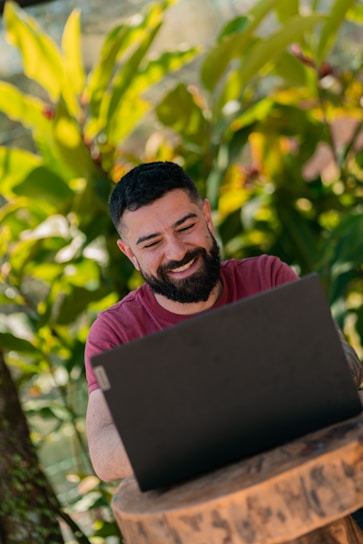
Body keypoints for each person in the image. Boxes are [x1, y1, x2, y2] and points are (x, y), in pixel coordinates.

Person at [85, 160, 362, 483]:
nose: (176, 252)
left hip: (319, 470)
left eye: (186, 227)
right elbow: (104, 456)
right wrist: (217, 415)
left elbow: (346, 366)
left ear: (207, 217)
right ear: (129, 253)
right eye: (152, 244)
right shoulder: (115, 332)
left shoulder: (267, 275)